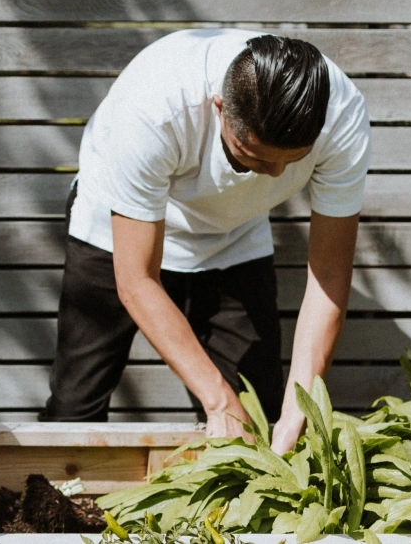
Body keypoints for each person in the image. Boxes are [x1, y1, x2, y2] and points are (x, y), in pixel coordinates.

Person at [39, 29, 370, 454]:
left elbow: (328, 274)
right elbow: (137, 280)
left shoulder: (342, 116)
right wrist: (217, 400)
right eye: (252, 157)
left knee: (257, 414)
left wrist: (297, 411)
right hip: (115, 231)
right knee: (75, 408)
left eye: (292, 162)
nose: (273, 176)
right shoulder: (153, 107)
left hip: (234, 235)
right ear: (219, 109)